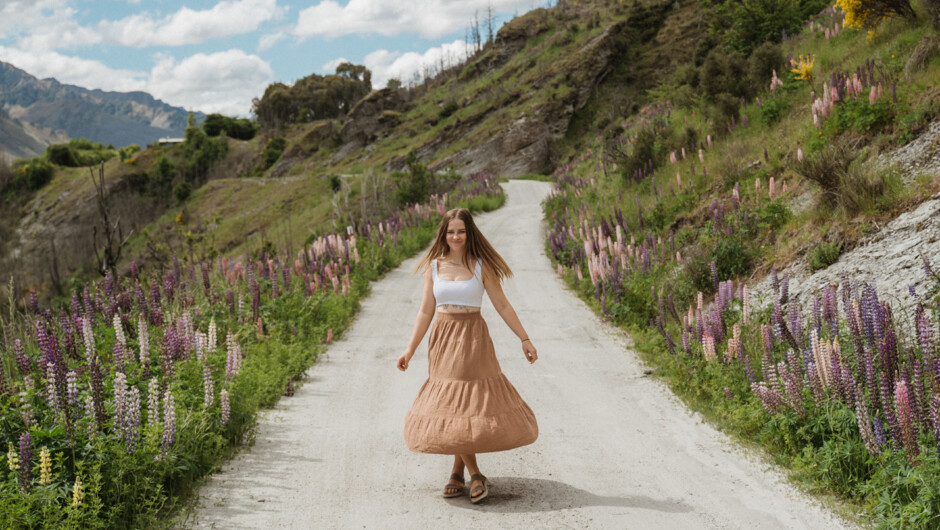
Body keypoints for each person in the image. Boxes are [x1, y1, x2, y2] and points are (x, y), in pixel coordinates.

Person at [397, 207, 538, 504]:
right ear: (444, 234)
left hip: (474, 337)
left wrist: (524, 337)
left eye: (461, 231)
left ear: (469, 232)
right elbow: (425, 311)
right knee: (450, 402)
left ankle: (458, 472)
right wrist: (410, 349)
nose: (456, 236)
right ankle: (473, 473)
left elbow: (502, 306)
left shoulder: (480, 266)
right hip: (444, 337)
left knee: (465, 403)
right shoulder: (433, 267)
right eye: (451, 231)